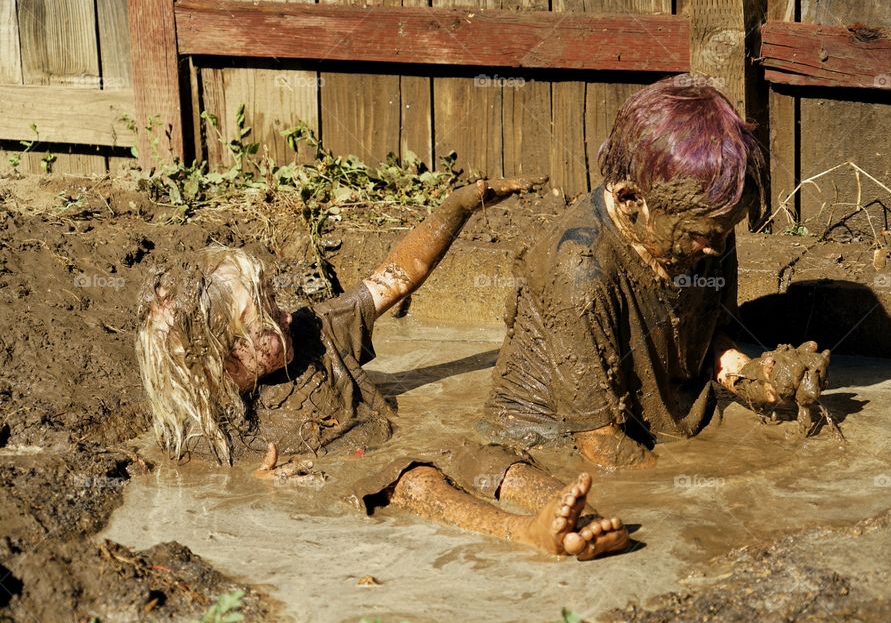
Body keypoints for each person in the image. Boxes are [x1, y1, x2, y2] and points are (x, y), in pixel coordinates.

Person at [135, 177, 629, 561]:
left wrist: (457, 207)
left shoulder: (315, 334)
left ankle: (586, 521)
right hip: (361, 477)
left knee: (480, 454)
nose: (287, 312)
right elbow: (224, 495)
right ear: (225, 353)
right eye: (267, 314)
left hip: (397, 443)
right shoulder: (208, 436)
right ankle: (526, 532)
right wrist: (264, 482)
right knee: (411, 479)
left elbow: (395, 278)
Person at [482, 75, 831, 470]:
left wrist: (756, 377)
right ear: (631, 197)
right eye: (702, 234)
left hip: (655, 423)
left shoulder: (704, 225)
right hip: (547, 442)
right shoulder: (579, 270)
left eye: (726, 229)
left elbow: (705, 341)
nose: (716, 248)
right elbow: (602, 447)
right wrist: (696, 483)